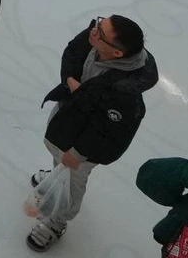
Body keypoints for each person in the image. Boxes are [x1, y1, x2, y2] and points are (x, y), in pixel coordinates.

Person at [29, 14, 159, 251]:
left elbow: (108, 133)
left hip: (84, 147)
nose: (93, 30)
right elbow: (72, 52)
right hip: (69, 117)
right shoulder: (95, 39)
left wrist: (78, 153)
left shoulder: (124, 94)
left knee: (73, 180)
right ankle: (56, 176)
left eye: (100, 32)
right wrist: (70, 80)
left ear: (117, 53)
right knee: (59, 159)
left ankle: (57, 222)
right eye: (99, 23)